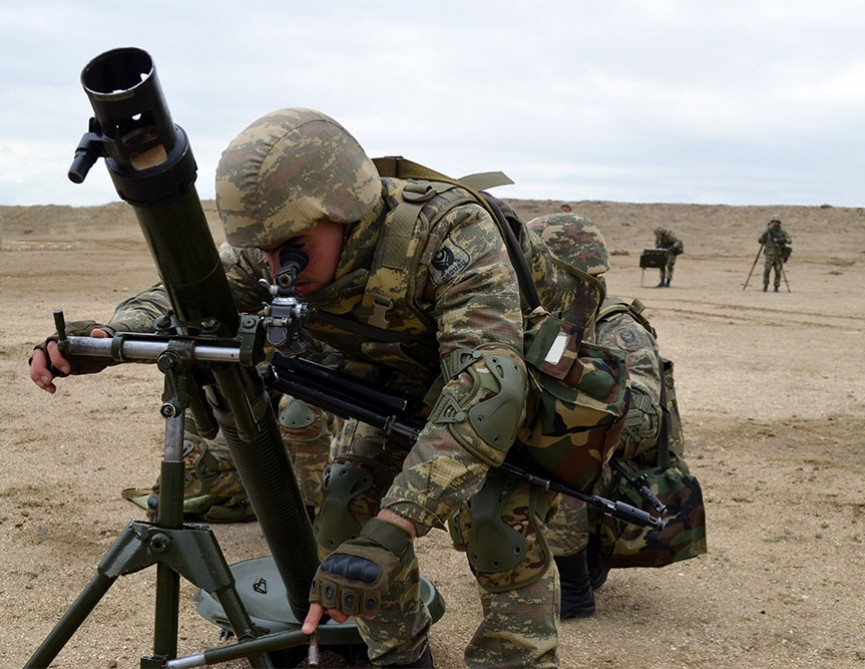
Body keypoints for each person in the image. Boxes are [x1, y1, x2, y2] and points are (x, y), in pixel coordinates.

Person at [30, 108, 627, 668]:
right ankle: (399, 655)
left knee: (497, 521)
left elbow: (487, 389)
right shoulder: (278, 243)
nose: (273, 268)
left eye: (289, 250)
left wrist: (393, 531)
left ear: (343, 209)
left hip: (512, 388)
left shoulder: (451, 233)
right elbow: (190, 298)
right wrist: (109, 335)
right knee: (344, 501)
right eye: (262, 251)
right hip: (402, 391)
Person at [528, 213, 700, 620]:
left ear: (571, 275)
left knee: (555, 453)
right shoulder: (552, 321)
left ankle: (574, 586)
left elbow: (644, 422)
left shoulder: (619, 329)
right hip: (600, 464)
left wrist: (570, 389)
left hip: (633, 479)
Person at [758, 216, 791, 292]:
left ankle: (776, 287)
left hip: (779, 255)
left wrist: (782, 240)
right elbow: (761, 241)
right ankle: (765, 285)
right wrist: (765, 235)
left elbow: (789, 240)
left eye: (777, 222)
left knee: (778, 272)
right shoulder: (768, 232)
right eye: (774, 222)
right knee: (767, 270)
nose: (775, 223)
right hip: (769, 255)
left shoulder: (782, 232)